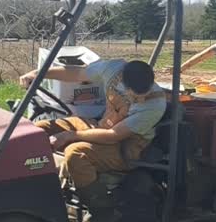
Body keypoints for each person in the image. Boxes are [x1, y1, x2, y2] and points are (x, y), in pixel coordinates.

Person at [19, 58, 166, 206]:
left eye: (144, 94)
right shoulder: (113, 69)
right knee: (38, 130)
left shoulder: (154, 105)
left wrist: (69, 136)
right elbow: (78, 73)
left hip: (126, 146)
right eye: (136, 95)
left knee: (76, 153)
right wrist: (38, 73)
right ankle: (32, 188)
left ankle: (102, 214)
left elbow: (113, 136)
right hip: (102, 126)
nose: (141, 99)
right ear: (123, 82)